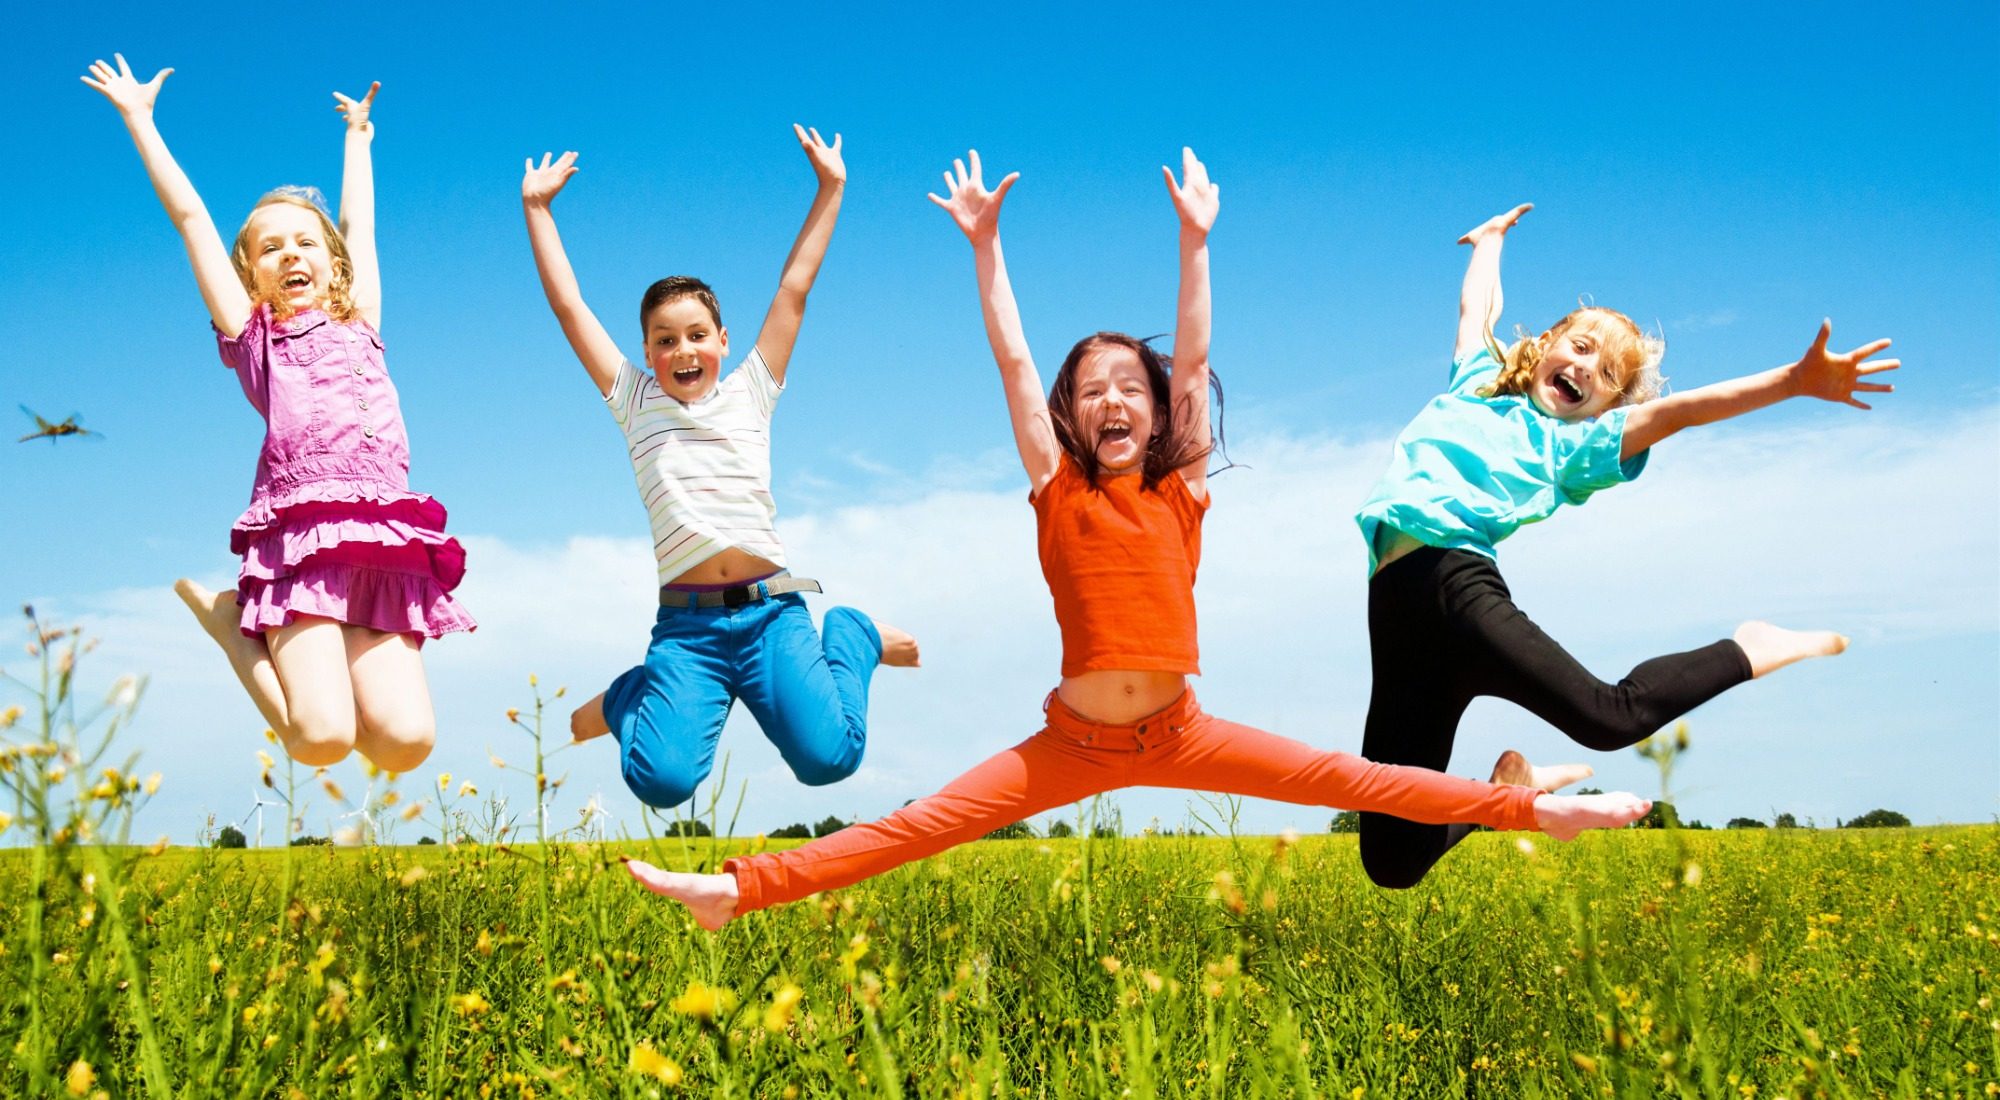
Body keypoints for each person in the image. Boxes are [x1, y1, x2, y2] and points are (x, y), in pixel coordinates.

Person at [626, 151, 1651, 928]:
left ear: (1158, 413)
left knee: (1356, 779)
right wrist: (985, 248)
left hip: (1178, 728)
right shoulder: (1055, 483)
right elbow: (1015, 360)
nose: (1112, 397)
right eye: (1092, 390)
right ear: (1072, 416)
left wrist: (1194, 241)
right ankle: (735, 891)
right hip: (1070, 737)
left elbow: (1193, 352)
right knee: (919, 823)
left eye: (1130, 386)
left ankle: (1530, 812)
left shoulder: (1181, 487)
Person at [1353, 202, 1899, 888]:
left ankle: (1747, 647)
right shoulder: (1476, 384)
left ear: (1607, 407)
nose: (1587, 367)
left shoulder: (1573, 446)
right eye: (1581, 346)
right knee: (1392, 861)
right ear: (1548, 342)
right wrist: (1488, 242)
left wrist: (1792, 382)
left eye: (1608, 373)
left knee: (1612, 717)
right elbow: (1476, 312)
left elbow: (1682, 410)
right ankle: (1508, 796)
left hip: (1456, 587)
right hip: (1395, 610)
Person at [84, 55, 473, 772]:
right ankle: (235, 629)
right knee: (321, 740)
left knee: (406, 745)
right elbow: (191, 219)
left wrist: (359, 137)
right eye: (270, 247)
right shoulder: (257, 339)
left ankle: (290, 658)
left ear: (332, 263)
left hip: (382, 540)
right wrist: (140, 121)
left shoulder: (362, 320)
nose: (291, 253)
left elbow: (361, 226)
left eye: (305, 242)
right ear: (250, 276)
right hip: (300, 544)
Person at [521, 131, 918, 811]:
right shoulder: (634, 402)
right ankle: (628, 696)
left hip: (773, 617)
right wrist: (538, 210)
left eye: (697, 335)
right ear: (646, 352)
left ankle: (851, 631)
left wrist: (832, 189)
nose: (684, 349)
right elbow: (569, 309)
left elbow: (794, 290)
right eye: (666, 340)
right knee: (662, 782)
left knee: (832, 759)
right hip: (687, 631)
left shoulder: (751, 391)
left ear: (724, 342)